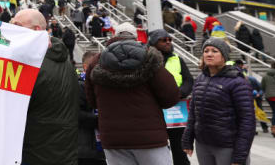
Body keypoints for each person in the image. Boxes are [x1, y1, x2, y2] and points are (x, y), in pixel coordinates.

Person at [85, 22, 180, 165]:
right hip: (149, 138)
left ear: (114, 36)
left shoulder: (96, 62)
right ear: (135, 38)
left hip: (113, 138)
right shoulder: (149, 57)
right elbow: (171, 95)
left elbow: (92, 101)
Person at [12, 9, 79, 165]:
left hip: (36, 152)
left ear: (36, 30)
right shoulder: (60, 58)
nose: (12, 30)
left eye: (17, 25)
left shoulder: (34, 64)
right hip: (61, 151)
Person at [182, 38, 255, 164]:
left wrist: (240, 154)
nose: (209, 54)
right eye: (206, 51)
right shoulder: (200, 79)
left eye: (215, 51)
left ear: (224, 56)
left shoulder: (237, 82)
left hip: (227, 146)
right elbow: (194, 113)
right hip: (203, 144)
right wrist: (187, 139)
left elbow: (247, 120)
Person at [149, 29, 194, 165]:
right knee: (158, 151)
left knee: (179, 150)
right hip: (155, 111)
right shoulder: (147, 60)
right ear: (153, 43)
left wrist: (180, 93)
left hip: (176, 111)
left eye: (169, 39)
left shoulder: (177, 59)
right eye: (163, 40)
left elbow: (188, 80)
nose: (168, 42)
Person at [78, 51, 106, 165]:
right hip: (86, 149)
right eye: (97, 66)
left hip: (102, 147)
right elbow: (77, 115)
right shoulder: (78, 85)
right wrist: (101, 120)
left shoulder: (103, 86)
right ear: (85, 67)